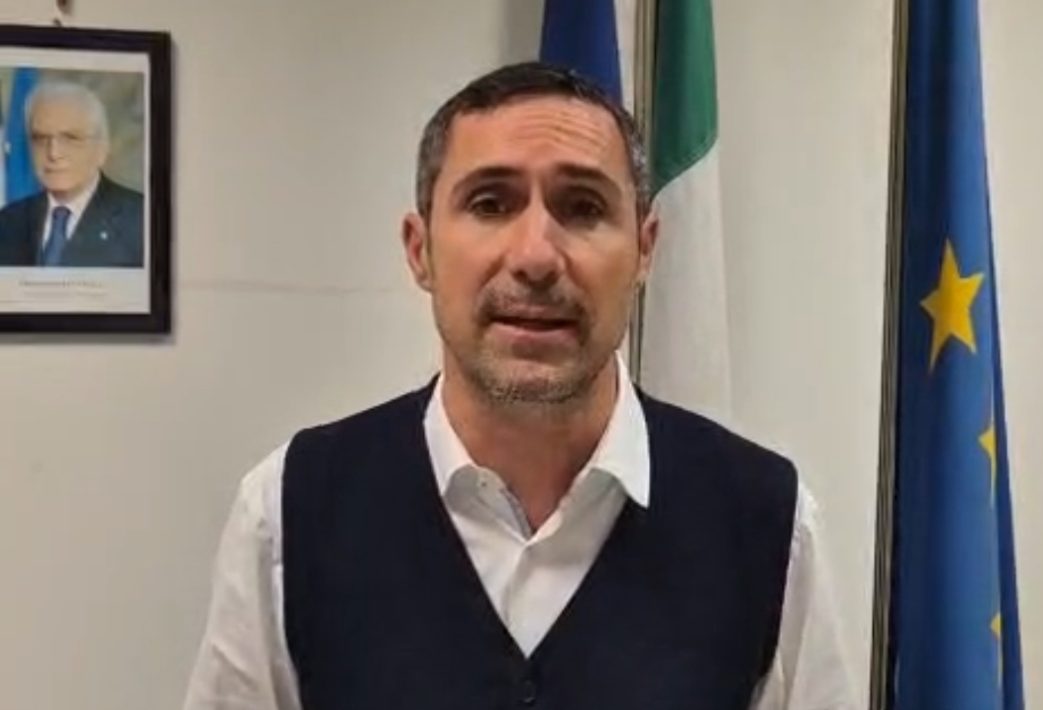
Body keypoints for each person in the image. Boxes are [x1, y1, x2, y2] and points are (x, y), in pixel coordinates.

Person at [183, 62, 855, 710]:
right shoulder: (287, 513)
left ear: (645, 250)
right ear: (420, 250)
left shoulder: (770, 525)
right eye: (489, 203)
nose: (535, 257)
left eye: (583, 207)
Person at [0, 81, 143, 268]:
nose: (54, 153)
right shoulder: (8, 221)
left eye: (70, 138)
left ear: (102, 147)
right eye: (40, 138)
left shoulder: (140, 219)